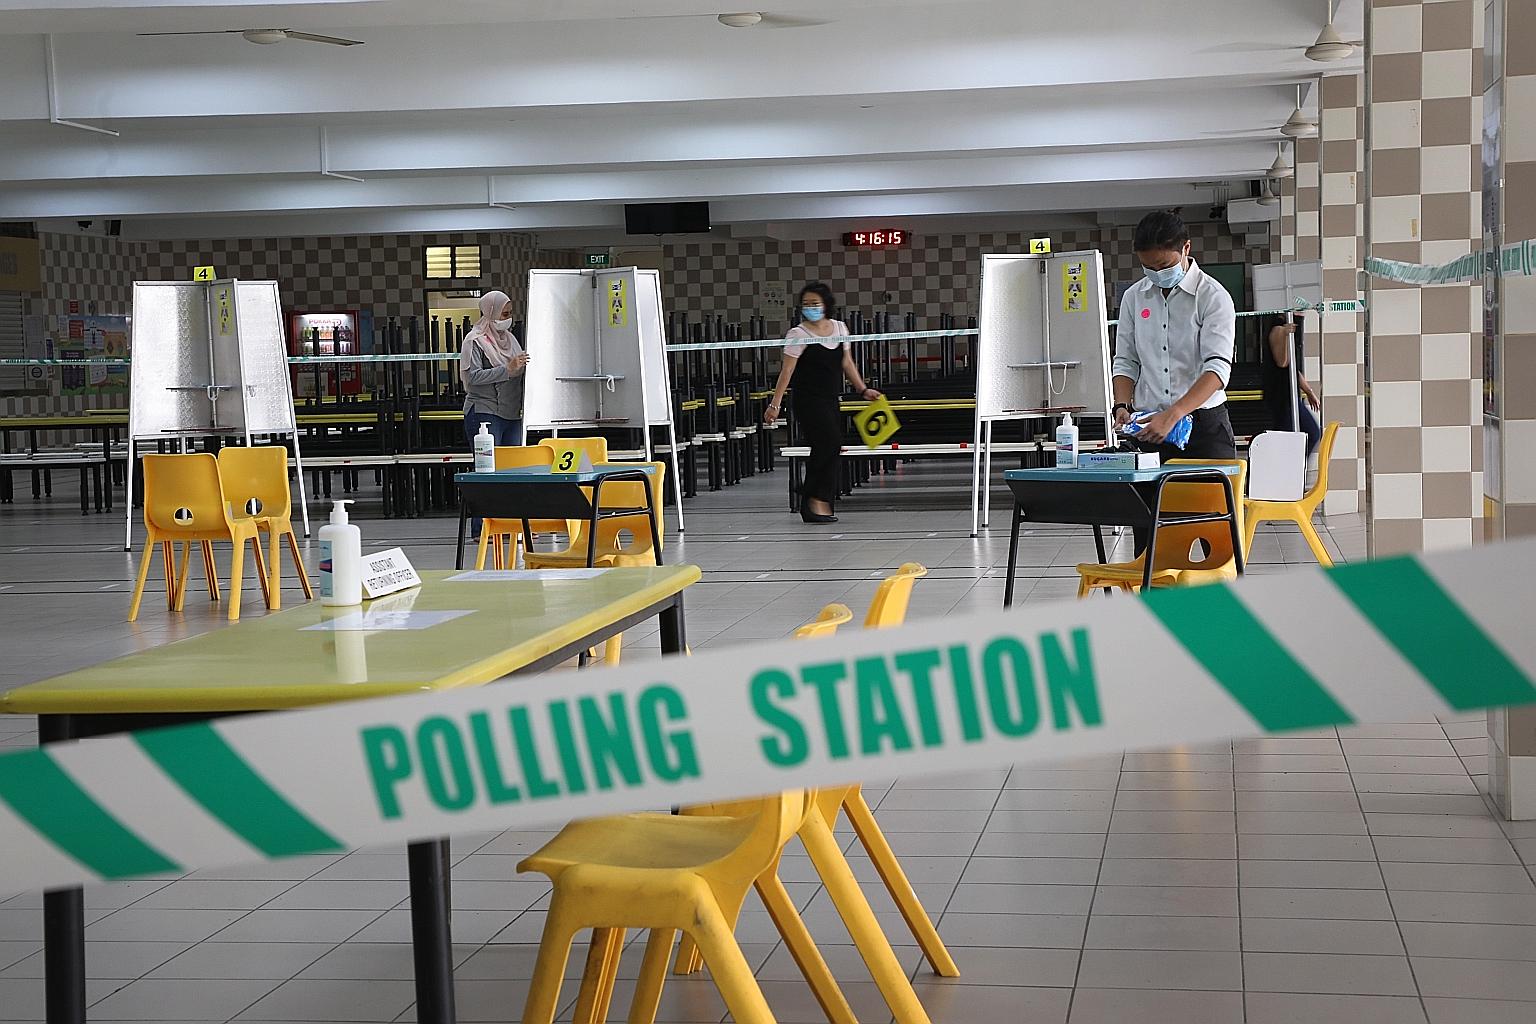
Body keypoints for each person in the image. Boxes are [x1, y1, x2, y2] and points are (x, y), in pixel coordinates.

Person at [1111, 210, 1237, 462]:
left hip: (1204, 428)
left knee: (1208, 501)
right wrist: (1122, 405)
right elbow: (1126, 360)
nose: (1158, 274)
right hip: (1148, 427)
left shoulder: (1212, 296)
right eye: (1149, 268)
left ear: (1186, 248)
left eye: (1165, 266)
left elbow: (1218, 369)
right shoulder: (1134, 297)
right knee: (1149, 502)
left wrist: (1173, 415)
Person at [763, 282, 881, 524]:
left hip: (830, 399)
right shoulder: (798, 334)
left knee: (828, 447)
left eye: (815, 303)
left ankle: (811, 499)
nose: (810, 308)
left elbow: (847, 362)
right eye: (806, 304)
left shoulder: (839, 328)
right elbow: (787, 372)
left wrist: (862, 389)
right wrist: (775, 405)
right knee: (830, 441)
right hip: (807, 401)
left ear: (826, 304)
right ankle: (815, 497)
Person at [460, 289, 529, 539]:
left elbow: (520, 370)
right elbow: (473, 378)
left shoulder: (511, 340)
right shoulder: (475, 341)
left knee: (514, 470)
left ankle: (511, 525)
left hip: (512, 414)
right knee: (486, 471)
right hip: (484, 412)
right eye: (504, 313)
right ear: (490, 312)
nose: (507, 318)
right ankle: (481, 528)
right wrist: (506, 369)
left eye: (510, 314)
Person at [1260, 313, 1322, 455]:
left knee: (1293, 438)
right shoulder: (1278, 330)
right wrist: (1286, 336)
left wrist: (1309, 391)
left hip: (1288, 395)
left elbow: (1293, 369)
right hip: (1282, 397)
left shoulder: (1284, 330)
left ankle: (1293, 469)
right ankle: (1294, 470)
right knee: (1308, 434)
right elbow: (1282, 362)